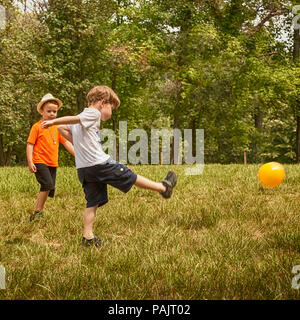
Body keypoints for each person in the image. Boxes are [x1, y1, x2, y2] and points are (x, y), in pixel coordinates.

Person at [41, 85, 177, 247]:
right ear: (102, 103)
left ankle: (88, 237)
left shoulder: (82, 117)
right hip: (99, 163)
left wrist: (77, 142)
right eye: (111, 108)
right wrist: (53, 121)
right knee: (129, 175)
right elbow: (63, 123)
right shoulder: (93, 113)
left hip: (84, 169)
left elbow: (63, 128)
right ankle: (163, 188)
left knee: (92, 202)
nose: (110, 113)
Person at [26, 93, 75, 222]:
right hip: (40, 161)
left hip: (52, 163)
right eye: (49, 111)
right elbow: (30, 144)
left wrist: (77, 154)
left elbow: (66, 143)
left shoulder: (57, 128)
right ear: (42, 111)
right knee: (47, 185)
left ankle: (39, 211)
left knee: (48, 188)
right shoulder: (37, 127)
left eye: (55, 111)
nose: (52, 114)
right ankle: (37, 212)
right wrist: (30, 161)